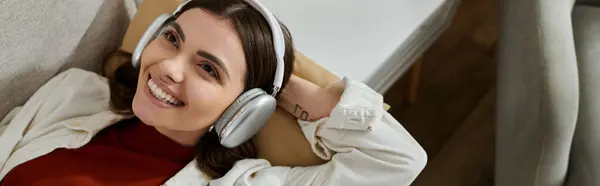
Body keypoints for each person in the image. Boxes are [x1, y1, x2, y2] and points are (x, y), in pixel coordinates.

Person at [0, 0, 427, 185]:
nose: (167, 66)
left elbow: (398, 161)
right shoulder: (73, 93)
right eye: (170, 38)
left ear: (245, 107)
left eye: (207, 68)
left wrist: (279, 87)